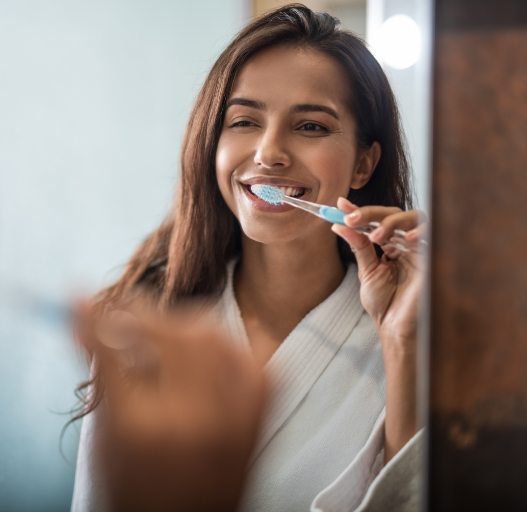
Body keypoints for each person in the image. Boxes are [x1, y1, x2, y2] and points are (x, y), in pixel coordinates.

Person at [71, 4, 426, 511]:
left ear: (365, 162)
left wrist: (403, 344)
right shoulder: (145, 328)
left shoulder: (416, 343)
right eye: (243, 121)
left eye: (310, 127)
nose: (269, 152)